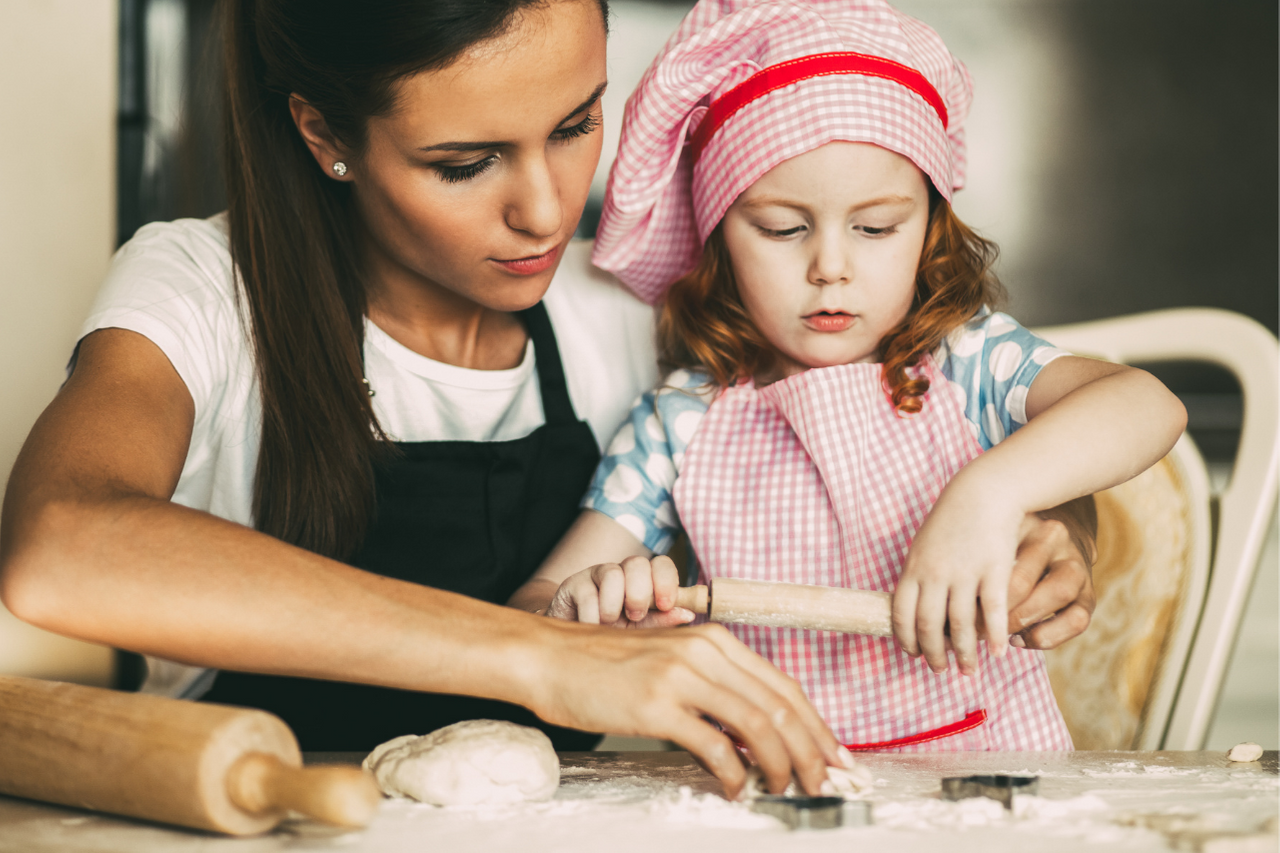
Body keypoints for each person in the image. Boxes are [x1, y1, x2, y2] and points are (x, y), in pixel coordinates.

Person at [0, 0, 1089, 795]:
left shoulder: (631, 310)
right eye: (464, 161)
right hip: (257, 807)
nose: (546, 210)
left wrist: (1048, 524)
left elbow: (915, 431)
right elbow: (61, 543)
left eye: (576, 124)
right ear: (325, 135)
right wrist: (537, 654)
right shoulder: (202, 290)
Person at [512, 0, 1185, 750]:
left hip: (981, 792)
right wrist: (591, 601)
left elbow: (1147, 404)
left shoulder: (969, 363)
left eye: (875, 227)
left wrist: (988, 494)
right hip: (756, 806)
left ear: (930, 226)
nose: (830, 266)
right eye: (781, 228)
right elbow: (534, 611)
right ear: (717, 236)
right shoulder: (682, 421)